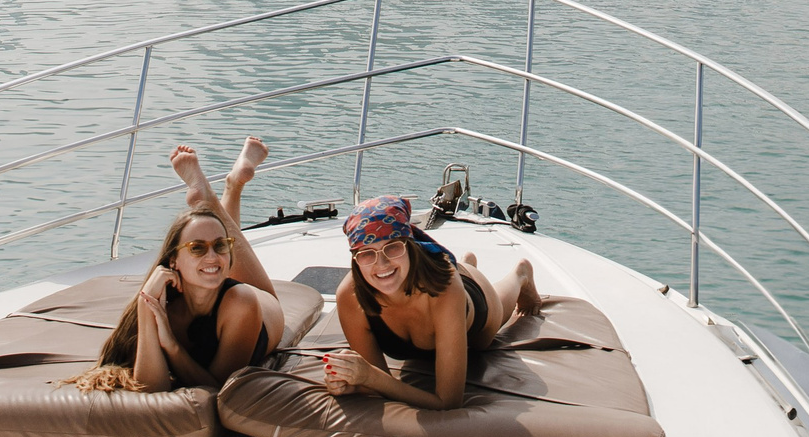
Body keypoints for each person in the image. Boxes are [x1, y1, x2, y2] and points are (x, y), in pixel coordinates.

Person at [75, 138, 286, 392]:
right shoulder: (162, 301)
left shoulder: (243, 301)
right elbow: (149, 386)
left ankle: (215, 196)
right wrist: (145, 305)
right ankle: (230, 187)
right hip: (208, 288)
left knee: (217, 251)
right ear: (172, 259)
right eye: (196, 248)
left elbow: (218, 389)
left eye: (221, 247)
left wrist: (172, 347)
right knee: (215, 243)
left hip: (264, 313)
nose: (211, 256)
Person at [319, 195, 543, 409]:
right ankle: (468, 263)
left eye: (393, 247)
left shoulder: (444, 290)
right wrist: (353, 383)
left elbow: (448, 402)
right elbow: (377, 387)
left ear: (410, 244)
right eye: (367, 253)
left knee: (484, 340)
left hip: (466, 299)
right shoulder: (350, 294)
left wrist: (368, 378)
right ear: (355, 259)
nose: (382, 264)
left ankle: (519, 275)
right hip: (440, 285)